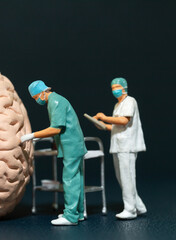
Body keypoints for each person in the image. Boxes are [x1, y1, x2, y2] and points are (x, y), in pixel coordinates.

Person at [21, 80, 87, 226]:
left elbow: (56, 128)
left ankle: (70, 216)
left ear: (43, 92)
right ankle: (78, 213)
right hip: (73, 144)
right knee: (77, 178)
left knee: (69, 179)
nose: (37, 100)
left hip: (71, 146)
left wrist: (32, 135)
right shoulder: (57, 100)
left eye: (36, 97)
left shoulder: (55, 102)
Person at [93, 77, 147, 220]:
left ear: (124, 87)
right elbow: (115, 126)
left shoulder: (130, 101)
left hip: (127, 145)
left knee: (127, 177)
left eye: (116, 87)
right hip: (118, 145)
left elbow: (124, 121)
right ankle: (139, 206)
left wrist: (104, 118)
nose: (114, 90)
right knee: (121, 177)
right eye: (112, 88)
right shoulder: (118, 105)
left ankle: (130, 210)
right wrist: (102, 125)